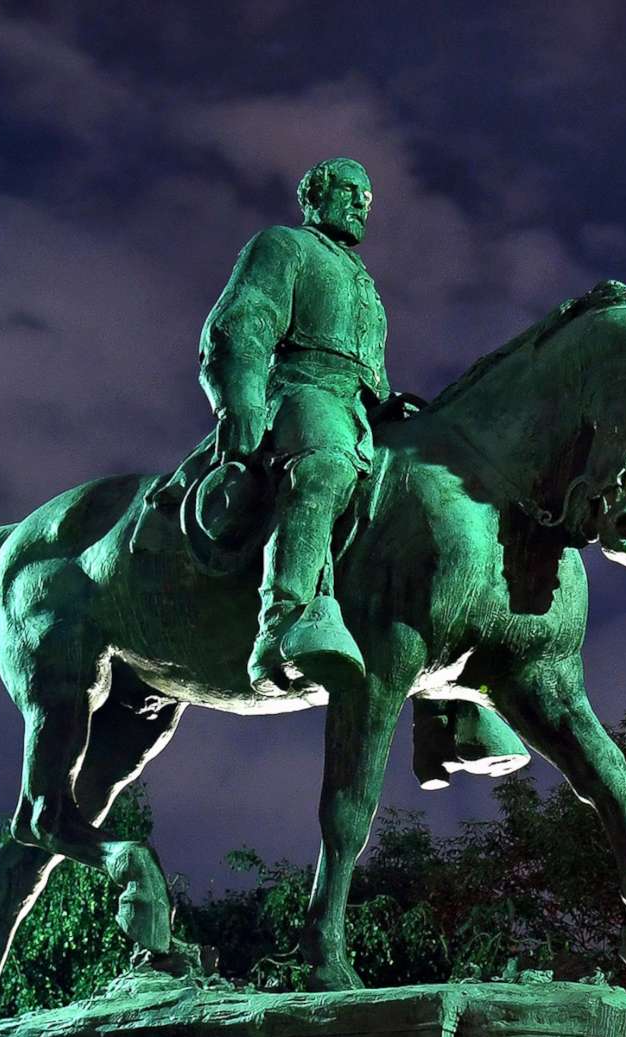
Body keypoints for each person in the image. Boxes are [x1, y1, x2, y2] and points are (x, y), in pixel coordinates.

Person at [199, 156, 407, 697]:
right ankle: (284, 624)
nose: (363, 202)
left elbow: (373, 373)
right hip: (299, 391)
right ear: (314, 195)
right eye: (350, 189)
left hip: (361, 409)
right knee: (325, 466)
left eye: (369, 195)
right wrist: (239, 400)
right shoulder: (284, 245)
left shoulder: (364, 282)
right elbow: (243, 320)